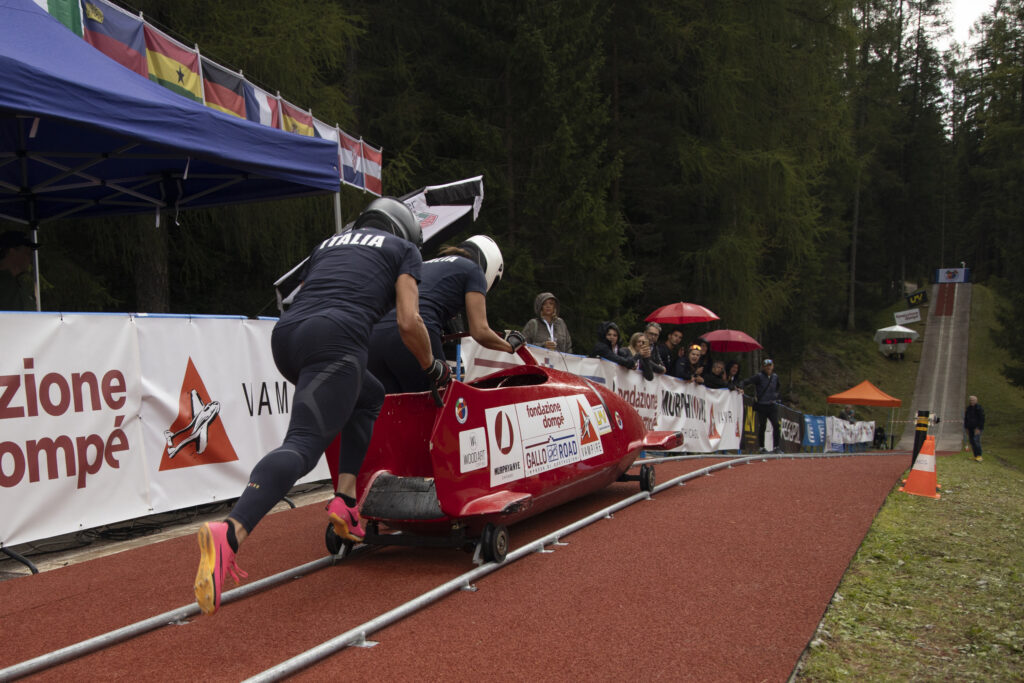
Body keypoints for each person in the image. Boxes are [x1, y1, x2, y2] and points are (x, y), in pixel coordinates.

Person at [192, 197, 446, 616]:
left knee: (368, 395)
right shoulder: (405, 249)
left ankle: (345, 502)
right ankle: (230, 531)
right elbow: (408, 321)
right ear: (405, 230)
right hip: (335, 338)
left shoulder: (328, 244)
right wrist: (432, 365)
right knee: (303, 445)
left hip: (288, 338)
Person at [368, 235, 515, 393]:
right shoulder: (474, 270)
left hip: (374, 337)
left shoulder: (424, 264)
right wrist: (510, 346)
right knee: (441, 402)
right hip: (413, 334)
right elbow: (480, 331)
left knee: (389, 407)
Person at [742, 358, 783, 453]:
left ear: (773, 366)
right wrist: (741, 386)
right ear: (763, 367)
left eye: (770, 366)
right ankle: (761, 447)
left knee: (776, 425)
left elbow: (778, 387)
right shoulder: (759, 376)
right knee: (762, 426)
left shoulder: (775, 377)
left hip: (772, 405)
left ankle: (776, 447)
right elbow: (747, 381)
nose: (768, 367)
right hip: (762, 405)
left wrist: (777, 397)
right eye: (766, 366)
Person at [0, 230, 38, 311]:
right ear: (12, 252)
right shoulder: (3, 283)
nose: (30, 258)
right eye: (27, 253)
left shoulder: (24, 286)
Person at [963, 395, 984, 462]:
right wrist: (966, 427)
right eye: (970, 400)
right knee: (972, 442)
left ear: (976, 401)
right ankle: (975, 456)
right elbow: (966, 418)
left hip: (977, 428)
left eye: (973, 400)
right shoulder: (968, 409)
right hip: (970, 428)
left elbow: (982, 419)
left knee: (976, 441)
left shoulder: (979, 408)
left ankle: (979, 456)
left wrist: (978, 428)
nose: (971, 401)